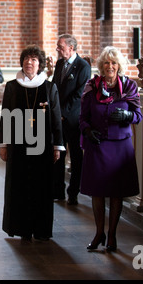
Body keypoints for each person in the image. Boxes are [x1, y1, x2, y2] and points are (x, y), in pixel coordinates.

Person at [80, 46, 142, 251]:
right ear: (101, 66)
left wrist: (127, 116)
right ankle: (99, 233)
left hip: (120, 147)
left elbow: (138, 116)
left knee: (117, 193)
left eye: (113, 63)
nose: (110, 66)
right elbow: (83, 118)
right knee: (97, 193)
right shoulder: (92, 87)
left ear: (119, 66)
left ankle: (112, 236)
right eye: (106, 63)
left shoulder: (129, 87)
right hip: (98, 145)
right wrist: (88, 131)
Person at [0, 45, 64, 241]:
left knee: (41, 186)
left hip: (43, 147)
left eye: (34, 59)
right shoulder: (11, 87)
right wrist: (3, 145)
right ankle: (21, 228)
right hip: (17, 145)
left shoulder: (49, 87)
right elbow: (6, 117)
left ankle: (41, 229)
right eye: (27, 58)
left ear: (40, 64)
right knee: (19, 186)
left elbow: (56, 117)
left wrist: (57, 146)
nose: (29, 62)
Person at [52, 34, 91, 205]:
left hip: (73, 119)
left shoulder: (83, 66)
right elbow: (54, 86)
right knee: (58, 154)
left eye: (60, 46)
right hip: (58, 117)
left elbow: (79, 95)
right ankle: (58, 190)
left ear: (71, 48)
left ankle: (73, 192)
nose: (57, 49)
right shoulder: (60, 63)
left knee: (75, 157)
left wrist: (63, 113)